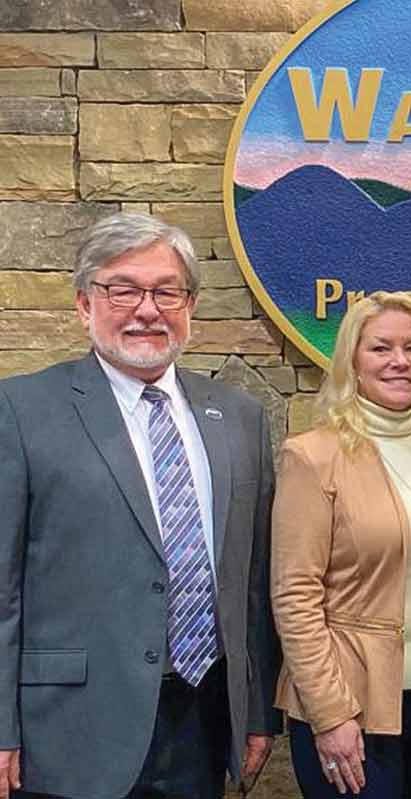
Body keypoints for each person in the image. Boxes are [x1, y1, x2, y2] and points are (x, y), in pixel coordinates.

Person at [0, 212, 280, 799]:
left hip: (201, 719)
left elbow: (250, 584)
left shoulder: (239, 418)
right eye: (122, 289)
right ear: (84, 305)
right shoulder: (22, 411)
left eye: (165, 291)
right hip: (69, 731)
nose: (146, 309)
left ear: (190, 308)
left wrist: (255, 711)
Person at [272, 291, 411, 799]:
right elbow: (295, 598)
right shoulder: (313, 457)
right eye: (381, 348)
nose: (400, 362)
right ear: (352, 362)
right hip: (352, 705)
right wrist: (330, 713)